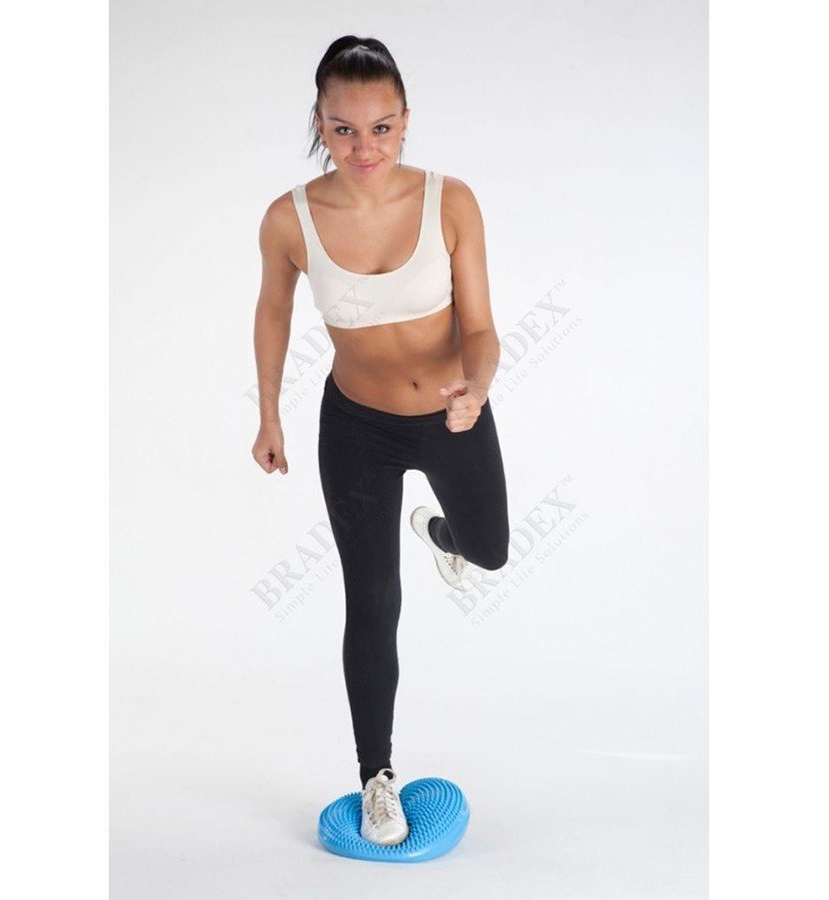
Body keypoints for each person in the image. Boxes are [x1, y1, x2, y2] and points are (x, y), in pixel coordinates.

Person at [251, 36, 510, 845]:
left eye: (382, 128)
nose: (364, 148)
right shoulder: (290, 218)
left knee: (491, 551)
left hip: (451, 411)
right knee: (372, 599)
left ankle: (443, 535)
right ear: (320, 124)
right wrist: (269, 414)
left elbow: (481, 328)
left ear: (405, 121)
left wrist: (477, 388)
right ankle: (376, 776)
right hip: (356, 426)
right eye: (344, 130)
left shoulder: (450, 202)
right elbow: (272, 312)